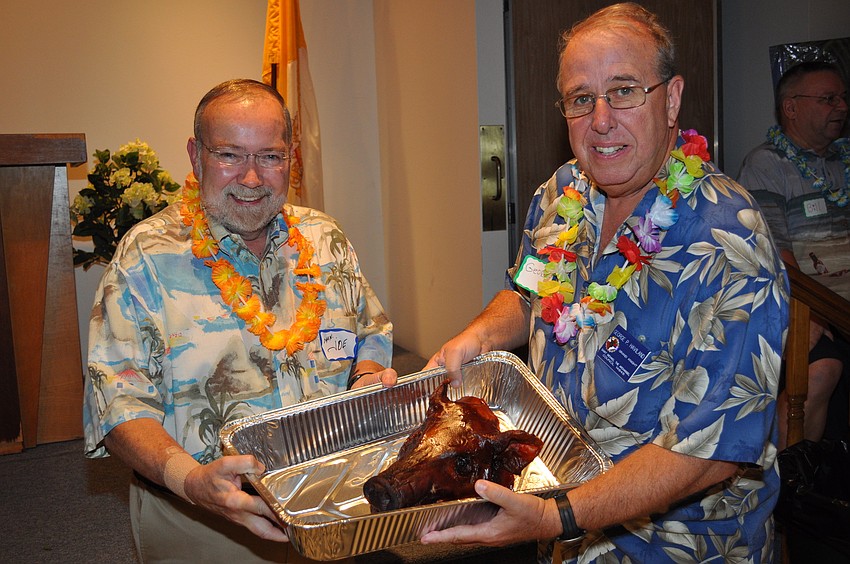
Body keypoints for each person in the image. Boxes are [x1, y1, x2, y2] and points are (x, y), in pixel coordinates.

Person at [421, 4, 788, 562]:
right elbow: (529, 292)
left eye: (623, 91)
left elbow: (711, 450)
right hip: (558, 524)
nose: (600, 120)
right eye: (580, 98)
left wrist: (555, 516)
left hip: (674, 547)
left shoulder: (727, 240)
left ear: (670, 99)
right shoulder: (564, 191)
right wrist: (479, 336)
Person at [82, 79, 396, 563]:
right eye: (230, 154)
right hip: (203, 522)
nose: (251, 178)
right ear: (195, 155)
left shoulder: (325, 237)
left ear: (291, 157)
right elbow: (118, 401)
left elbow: (370, 330)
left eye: (269, 156)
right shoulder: (145, 257)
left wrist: (369, 375)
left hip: (335, 507)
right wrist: (191, 481)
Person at [738, 61, 850, 449]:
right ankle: (791, 488)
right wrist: (818, 312)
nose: (841, 107)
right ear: (791, 107)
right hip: (804, 305)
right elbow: (773, 252)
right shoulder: (767, 165)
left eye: (842, 98)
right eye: (828, 99)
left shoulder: (844, 161)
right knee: (821, 370)